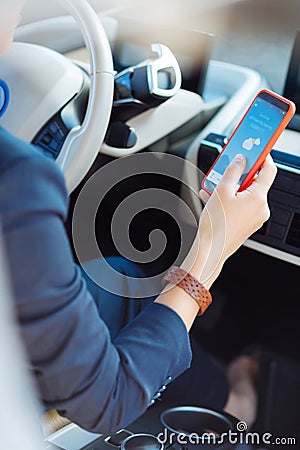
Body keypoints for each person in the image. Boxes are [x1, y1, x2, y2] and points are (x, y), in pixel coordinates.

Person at [0, 0, 277, 435]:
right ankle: (240, 402)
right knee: (147, 302)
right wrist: (214, 245)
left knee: (128, 276)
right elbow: (104, 400)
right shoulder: (17, 177)